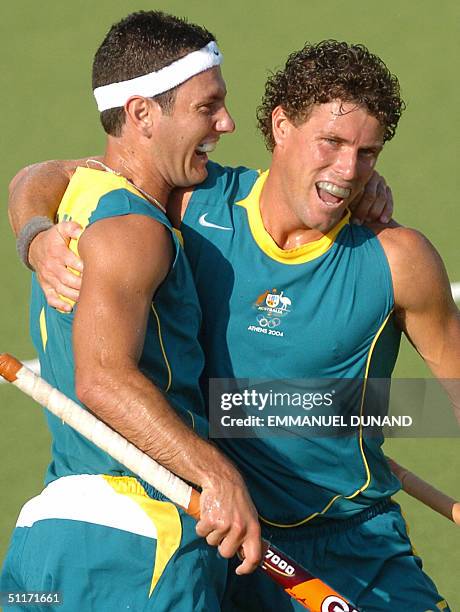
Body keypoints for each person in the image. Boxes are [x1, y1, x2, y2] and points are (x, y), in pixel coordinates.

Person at [8, 40, 456, 611]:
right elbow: (52, 174)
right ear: (281, 125)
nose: (348, 169)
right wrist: (35, 236)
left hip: (356, 547)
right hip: (228, 544)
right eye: (333, 143)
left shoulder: (397, 260)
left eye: (367, 153)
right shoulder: (193, 203)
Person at [1, 11, 264, 612]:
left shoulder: (81, 193)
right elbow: (103, 379)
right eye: (207, 106)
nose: (226, 122)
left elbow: (34, 173)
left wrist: (33, 233)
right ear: (142, 113)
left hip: (50, 531)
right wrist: (218, 475)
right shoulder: (138, 230)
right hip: (144, 536)